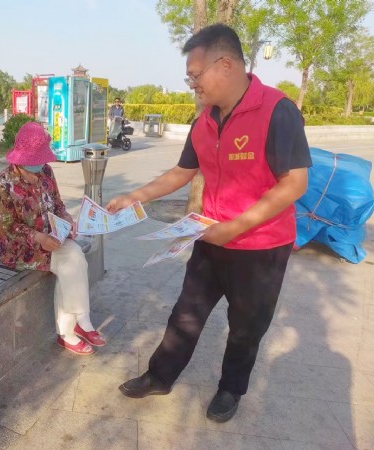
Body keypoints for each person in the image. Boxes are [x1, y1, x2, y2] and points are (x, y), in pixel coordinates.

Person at [106, 24, 311, 423]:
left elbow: (294, 183)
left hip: (261, 247)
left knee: (246, 325)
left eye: (195, 75)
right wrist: (136, 196)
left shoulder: (276, 111)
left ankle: (231, 389)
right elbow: (182, 171)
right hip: (210, 236)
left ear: (226, 65)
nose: (192, 84)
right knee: (186, 312)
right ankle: (160, 376)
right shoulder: (204, 121)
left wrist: (235, 227)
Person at [0, 122, 106, 356]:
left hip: (52, 236)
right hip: (22, 247)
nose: (38, 167)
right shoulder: (5, 183)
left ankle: (75, 326)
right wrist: (37, 237)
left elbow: (57, 204)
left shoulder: (45, 171)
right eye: (33, 162)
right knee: (70, 264)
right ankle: (75, 326)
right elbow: (8, 226)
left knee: (75, 256)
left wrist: (66, 219)